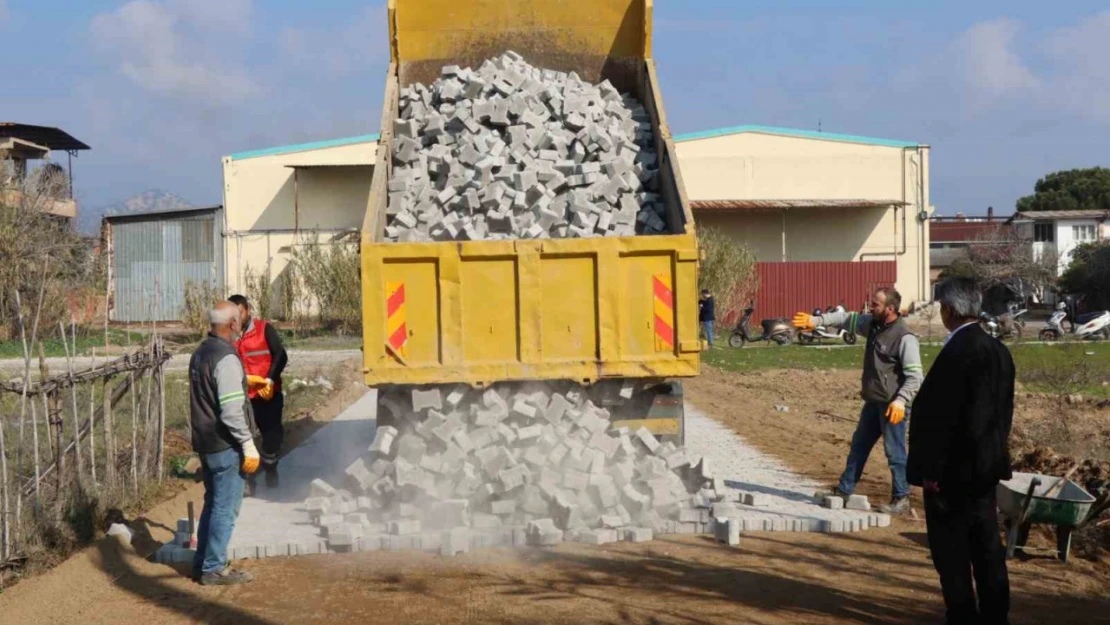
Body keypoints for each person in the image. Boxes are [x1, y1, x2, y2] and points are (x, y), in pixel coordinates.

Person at [908, 277, 1013, 625]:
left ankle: (963, 616)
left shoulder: (958, 353)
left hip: (952, 477)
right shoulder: (999, 351)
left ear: (950, 311)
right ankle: (996, 616)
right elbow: (1001, 414)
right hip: (985, 471)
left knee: (952, 555)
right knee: (987, 550)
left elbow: (942, 420)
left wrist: (932, 474)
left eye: (941, 308)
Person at [792, 287, 924, 515]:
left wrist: (901, 401)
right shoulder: (871, 324)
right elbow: (844, 318)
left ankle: (901, 499)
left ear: (889, 309)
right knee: (859, 446)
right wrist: (816, 320)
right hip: (873, 401)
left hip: (893, 406)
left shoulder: (905, 338)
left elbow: (915, 377)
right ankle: (843, 491)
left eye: (876, 304)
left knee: (895, 453)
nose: (870, 307)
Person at [189, 301, 259, 585]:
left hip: (205, 443)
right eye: (239, 318)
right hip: (224, 445)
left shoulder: (201, 352)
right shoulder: (226, 357)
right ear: (231, 323)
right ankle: (213, 568)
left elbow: (211, 394)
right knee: (225, 508)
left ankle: (202, 562)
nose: (242, 322)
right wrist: (247, 443)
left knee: (212, 503)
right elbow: (231, 412)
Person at [229, 294, 288, 489]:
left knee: (272, 438)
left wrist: (270, 379)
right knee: (244, 439)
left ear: (247, 311)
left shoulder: (264, 329)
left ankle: (270, 466)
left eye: (240, 312)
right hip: (244, 397)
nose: (237, 317)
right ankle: (249, 480)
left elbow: (280, 354)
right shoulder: (229, 335)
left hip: (267, 395)